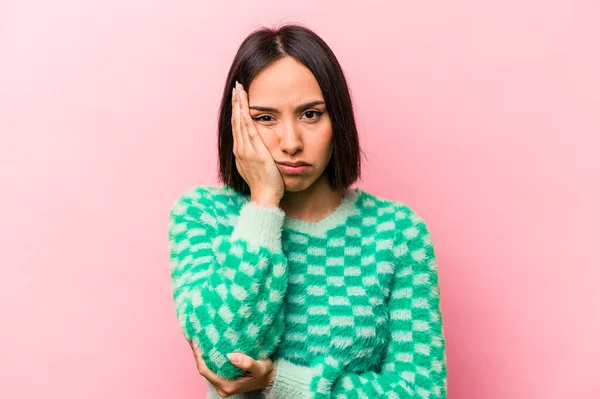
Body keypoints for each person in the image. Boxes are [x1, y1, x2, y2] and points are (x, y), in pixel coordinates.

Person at [168, 23, 448, 399]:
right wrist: (264, 202)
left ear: (338, 120)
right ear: (236, 124)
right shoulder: (202, 216)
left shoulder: (396, 233)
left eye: (311, 114)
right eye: (265, 118)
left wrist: (280, 383)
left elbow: (423, 392)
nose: (290, 142)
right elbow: (222, 362)